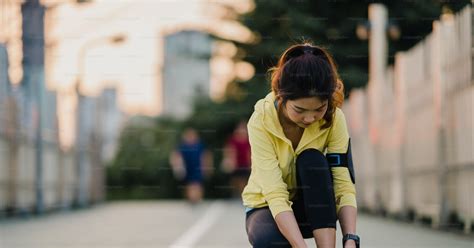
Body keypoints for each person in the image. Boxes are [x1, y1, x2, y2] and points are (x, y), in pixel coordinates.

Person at [242, 43, 360, 248]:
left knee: (312, 159)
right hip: (267, 206)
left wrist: (351, 238)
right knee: (270, 242)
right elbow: (275, 194)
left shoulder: (335, 118)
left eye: (319, 109)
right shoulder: (260, 120)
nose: (309, 118)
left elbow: (343, 184)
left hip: (313, 209)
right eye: (300, 109)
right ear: (281, 96)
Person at [170, 128, 213, 205]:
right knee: (190, 185)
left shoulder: (200, 145)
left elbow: (206, 155)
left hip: (198, 168)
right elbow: (175, 156)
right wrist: (177, 167)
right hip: (188, 169)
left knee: (197, 184)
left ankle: (197, 198)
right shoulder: (182, 146)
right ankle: (192, 199)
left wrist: (207, 167)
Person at [221, 120, 251, 198]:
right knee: (235, 182)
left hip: (245, 164)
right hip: (236, 164)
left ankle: (243, 196)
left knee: (243, 182)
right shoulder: (233, 139)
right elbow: (228, 150)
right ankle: (236, 195)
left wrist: (251, 163)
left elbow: (250, 152)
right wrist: (228, 161)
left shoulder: (249, 139)